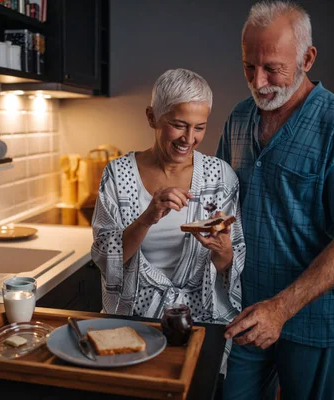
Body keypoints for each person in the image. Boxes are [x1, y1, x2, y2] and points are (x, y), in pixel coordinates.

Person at [216, 1, 334, 399]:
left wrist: (280, 308)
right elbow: (219, 199)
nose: (259, 82)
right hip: (244, 310)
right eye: (248, 66)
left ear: (307, 58)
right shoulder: (240, 118)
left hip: (312, 317)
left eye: (272, 68)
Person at [91, 68, 246, 372]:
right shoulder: (118, 175)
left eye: (199, 127)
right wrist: (147, 217)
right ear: (152, 118)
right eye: (178, 125)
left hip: (203, 323)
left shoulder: (221, 177)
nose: (189, 139)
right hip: (136, 323)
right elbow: (103, 255)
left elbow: (233, 261)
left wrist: (223, 251)